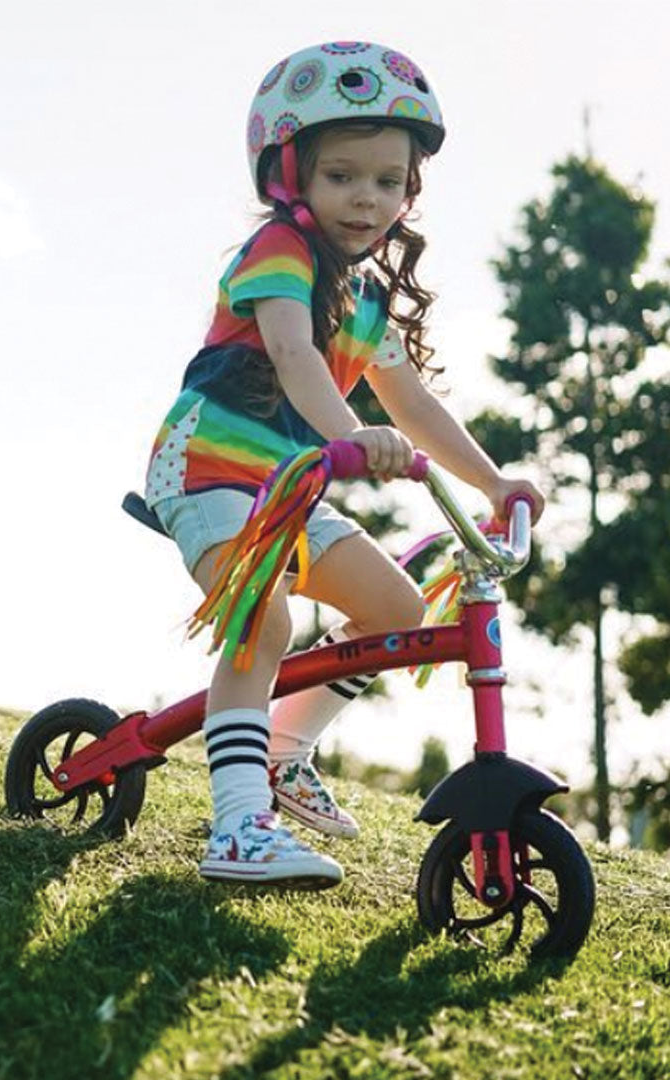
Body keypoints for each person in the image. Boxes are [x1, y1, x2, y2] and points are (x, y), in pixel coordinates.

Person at [142, 41, 544, 887]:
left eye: (389, 182)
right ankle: (238, 826)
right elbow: (292, 353)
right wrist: (348, 440)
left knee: (393, 611)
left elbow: (416, 406)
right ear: (291, 178)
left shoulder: (365, 302)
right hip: (212, 472)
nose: (368, 198)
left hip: (294, 488)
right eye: (342, 176)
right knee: (267, 615)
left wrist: (494, 483)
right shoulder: (277, 257)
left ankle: (283, 753)